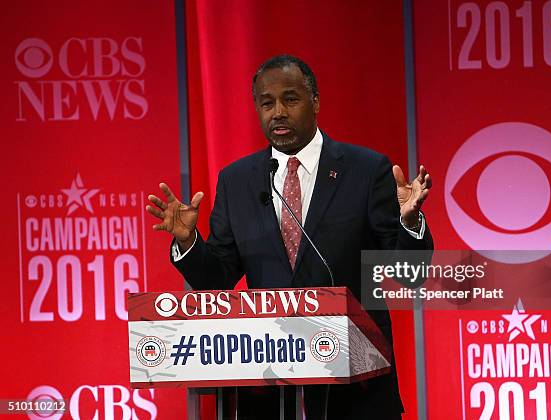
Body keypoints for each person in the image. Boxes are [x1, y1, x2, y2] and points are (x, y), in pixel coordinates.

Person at [146, 55, 433, 420]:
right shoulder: (238, 181)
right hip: (270, 392)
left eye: (290, 99)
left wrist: (409, 222)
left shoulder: (365, 170)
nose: (277, 112)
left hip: (357, 392)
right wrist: (189, 243)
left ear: (314, 102)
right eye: (267, 103)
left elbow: (408, 273)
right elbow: (217, 277)